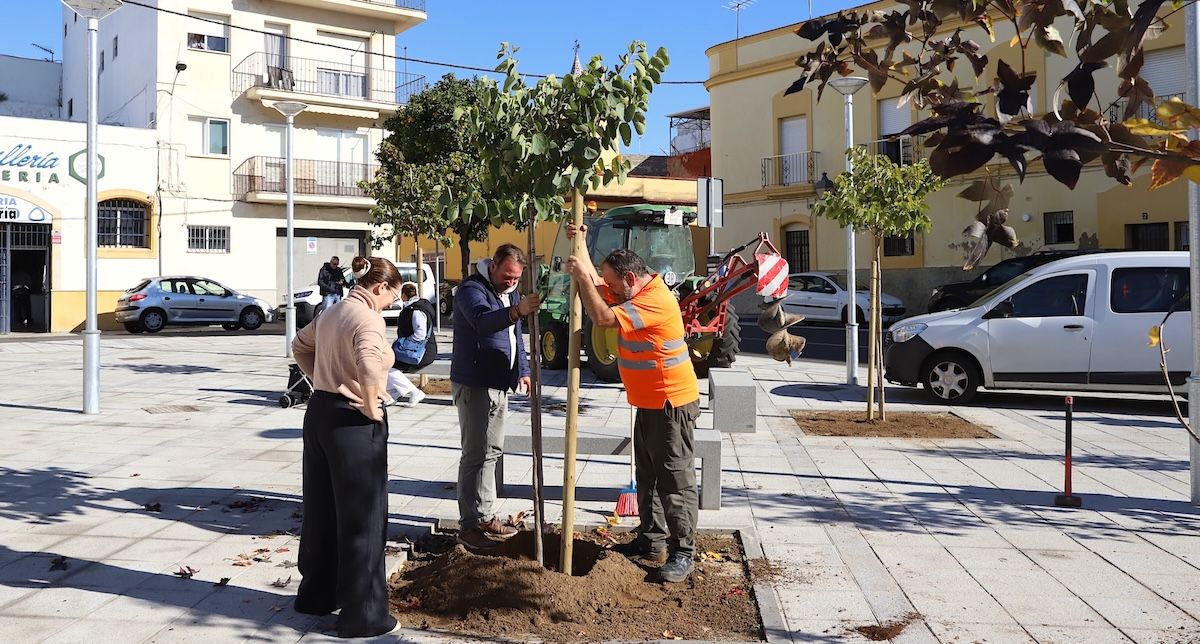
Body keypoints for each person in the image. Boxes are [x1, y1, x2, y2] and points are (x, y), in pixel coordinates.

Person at [564, 227, 700, 583]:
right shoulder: (633, 288)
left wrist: (583, 278)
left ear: (629, 278)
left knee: (675, 478)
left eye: (613, 284)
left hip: (671, 404)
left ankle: (684, 550)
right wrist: (580, 238)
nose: (607, 289)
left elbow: (603, 318)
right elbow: (595, 279)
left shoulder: (654, 300)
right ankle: (651, 540)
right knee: (648, 476)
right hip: (649, 402)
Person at [291, 255, 402, 638]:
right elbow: (370, 363)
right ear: (379, 286)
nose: (392, 303)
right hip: (355, 423)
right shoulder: (368, 318)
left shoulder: (333, 310)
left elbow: (299, 345)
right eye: (393, 294)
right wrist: (372, 405)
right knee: (363, 519)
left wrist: (322, 379)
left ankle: (316, 595)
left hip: (320, 413)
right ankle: (364, 616)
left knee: (321, 510)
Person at [450, 244, 540, 551]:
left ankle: (485, 515)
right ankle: (467, 525)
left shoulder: (510, 292)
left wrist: (523, 370)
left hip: (500, 382)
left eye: (516, 279)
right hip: (475, 383)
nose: (511, 283)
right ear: (493, 265)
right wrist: (517, 309)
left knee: (492, 451)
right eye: (507, 276)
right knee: (474, 453)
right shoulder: (470, 290)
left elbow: (516, 336)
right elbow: (483, 323)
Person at [386, 282, 436, 407]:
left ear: (403, 294)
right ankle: (393, 394)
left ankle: (414, 392)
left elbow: (420, 334)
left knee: (389, 367)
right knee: (388, 364)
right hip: (418, 349)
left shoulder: (416, 311)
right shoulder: (415, 307)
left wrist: (404, 343)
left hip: (420, 352)